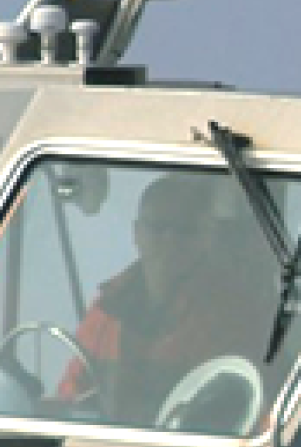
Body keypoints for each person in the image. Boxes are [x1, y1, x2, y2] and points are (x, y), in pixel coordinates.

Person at [63, 174, 272, 422]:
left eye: (184, 230)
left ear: (205, 237)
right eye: (158, 227)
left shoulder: (232, 314)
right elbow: (70, 398)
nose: (169, 239)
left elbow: (245, 412)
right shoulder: (107, 309)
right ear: (137, 233)